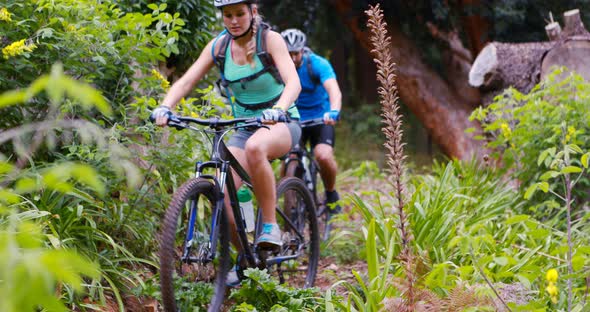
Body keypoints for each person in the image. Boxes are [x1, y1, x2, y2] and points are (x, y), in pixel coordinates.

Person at [151, 0, 301, 258]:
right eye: (227, 15)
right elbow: (186, 81)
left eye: (240, 14)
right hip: (243, 128)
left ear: (252, 12)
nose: (233, 20)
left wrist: (279, 109)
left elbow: (293, 82)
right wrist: (165, 107)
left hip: (281, 122)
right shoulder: (219, 46)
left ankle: (270, 226)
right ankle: (247, 260)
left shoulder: (271, 39)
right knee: (223, 197)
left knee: (256, 147)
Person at [280, 28, 342, 213]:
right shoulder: (278, 66)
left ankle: (331, 193)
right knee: (287, 161)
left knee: (322, 155)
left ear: (303, 50)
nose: (292, 58)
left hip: (320, 119)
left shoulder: (316, 64)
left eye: (295, 53)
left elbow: (333, 90)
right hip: (294, 120)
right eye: (288, 53)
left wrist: (333, 111)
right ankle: (287, 203)